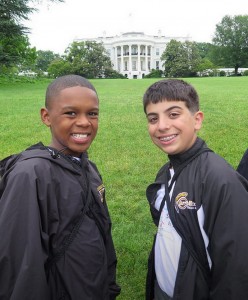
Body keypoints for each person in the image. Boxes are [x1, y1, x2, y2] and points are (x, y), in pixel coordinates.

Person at [0, 75, 121, 300]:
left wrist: (108, 286)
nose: (84, 122)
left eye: (92, 113)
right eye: (71, 113)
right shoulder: (30, 175)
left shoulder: (88, 167)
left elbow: (102, 233)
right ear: (46, 117)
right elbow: (21, 264)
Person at [143, 79, 248, 300]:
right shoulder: (168, 170)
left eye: (173, 114)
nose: (161, 125)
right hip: (167, 288)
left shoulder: (220, 180)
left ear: (197, 119)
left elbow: (235, 269)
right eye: (153, 118)